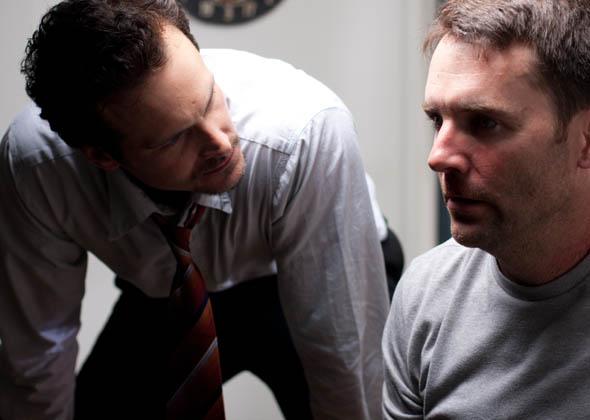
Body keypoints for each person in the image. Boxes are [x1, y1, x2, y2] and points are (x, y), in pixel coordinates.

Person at [0, 1, 404, 419]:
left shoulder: (303, 131)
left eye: (211, 98)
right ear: (102, 156)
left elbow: (346, 360)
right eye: (174, 138)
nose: (221, 143)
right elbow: (37, 351)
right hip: (168, 292)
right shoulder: (37, 168)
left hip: (316, 271)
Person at [382, 0, 590, 418]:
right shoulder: (424, 296)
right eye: (437, 120)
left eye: (484, 123)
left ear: (584, 142)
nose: (438, 157)